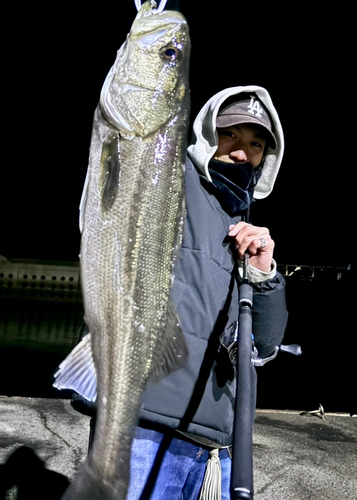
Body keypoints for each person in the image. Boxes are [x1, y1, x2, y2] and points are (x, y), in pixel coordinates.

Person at [70, 85, 288, 499]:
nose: (242, 152)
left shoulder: (242, 221)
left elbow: (263, 346)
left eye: (256, 143)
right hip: (144, 428)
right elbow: (126, 144)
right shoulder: (168, 180)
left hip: (217, 444)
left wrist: (264, 276)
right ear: (206, 134)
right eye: (231, 136)